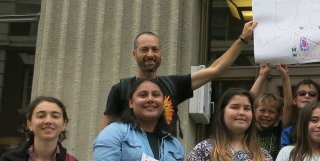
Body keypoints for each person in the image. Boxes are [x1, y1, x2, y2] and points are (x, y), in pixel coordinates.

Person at [102, 21, 257, 130]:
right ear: (134, 54)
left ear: (161, 54)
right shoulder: (120, 89)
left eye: (155, 50)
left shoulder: (173, 84)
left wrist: (242, 39)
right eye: (144, 50)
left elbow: (215, 70)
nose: (150, 54)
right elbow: (104, 135)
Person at [280, 79, 320, 148]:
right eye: (302, 93)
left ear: (319, 101)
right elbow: (285, 156)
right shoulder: (288, 132)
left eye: (312, 94)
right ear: (295, 100)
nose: (307, 96)